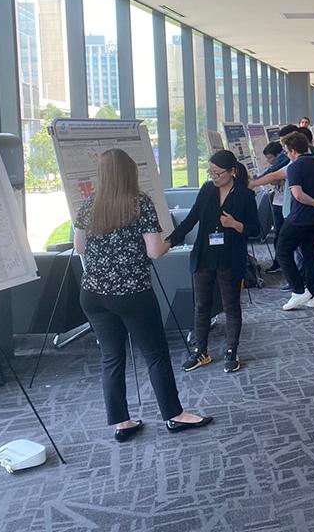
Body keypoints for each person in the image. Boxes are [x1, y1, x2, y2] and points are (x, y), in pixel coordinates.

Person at [74, 149, 212, 440]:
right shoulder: (140, 204)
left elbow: (80, 247)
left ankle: (121, 423)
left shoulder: (89, 204)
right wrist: (172, 241)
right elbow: (154, 251)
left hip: (93, 293)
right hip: (132, 293)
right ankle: (174, 415)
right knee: (156, 355)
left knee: (111, 357)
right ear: (129, 173)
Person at [169, 150, 261, 374]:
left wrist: (235, 225)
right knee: (201, 305)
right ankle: (200, 350)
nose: (214, 177)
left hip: (230, 258)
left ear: (231, 172)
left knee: (231, 306)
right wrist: (170, 240)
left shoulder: (244, 195)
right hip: (204, 256)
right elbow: (191, 219)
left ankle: (232, 350)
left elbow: (256, 230)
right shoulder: (207, 190)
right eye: (211, 172)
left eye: (218, 173)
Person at [276, 132, 314, 310]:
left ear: (293, 150)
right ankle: (313, 294)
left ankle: (298, 290)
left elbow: (298, 195)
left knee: (282, 251)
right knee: (310, 254)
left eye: (286, 151)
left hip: (299, 217)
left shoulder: (295, 167)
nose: (286, 154)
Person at [259, 140, 289, 275]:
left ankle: (282, 262)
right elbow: (273, 179)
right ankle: (279, 262)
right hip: (278, 202)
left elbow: (276, 179)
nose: (269, 161)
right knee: (279, 234)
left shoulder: (286, 163)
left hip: (286, 203)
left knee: (283, 236)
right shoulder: (279, 165)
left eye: (270, 158)